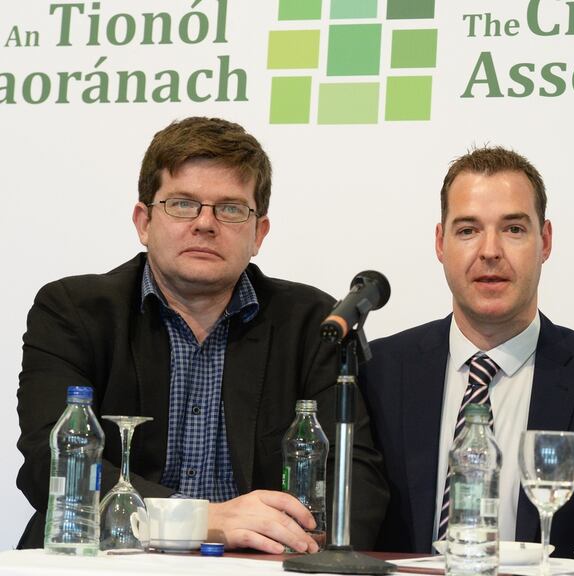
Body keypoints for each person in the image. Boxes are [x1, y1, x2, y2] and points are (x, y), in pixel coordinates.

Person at [16, 117, 388, 553]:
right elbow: (52, 464)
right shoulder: (74, 311)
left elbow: (356, 478)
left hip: (255, 565)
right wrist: (198, 521)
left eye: (230, 208)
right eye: (182, 204)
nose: (205, 223)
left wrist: (303, 547)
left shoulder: (313, 323)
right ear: (144, 221)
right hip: (112, 560)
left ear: (258, 233)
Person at [359, 146, 574, 555]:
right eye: (468, 230)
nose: (489, 251)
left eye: (513, 229)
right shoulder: (377, 373)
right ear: (440, 243)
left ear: (545, 241)